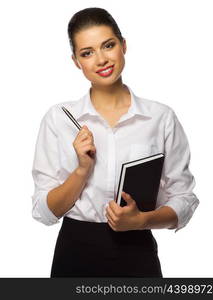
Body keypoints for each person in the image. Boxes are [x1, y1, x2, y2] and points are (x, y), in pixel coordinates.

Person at [31, 7, 199, 277]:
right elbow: (44, 212)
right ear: (76, 61)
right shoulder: (58, 119)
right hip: (75, 253)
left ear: (123, 45)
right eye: (87, 52)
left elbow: (184, 199)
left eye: (108, 46)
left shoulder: (160, 118)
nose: (101, 59)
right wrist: (82, 170)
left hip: (138, 251)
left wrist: (143, 220)